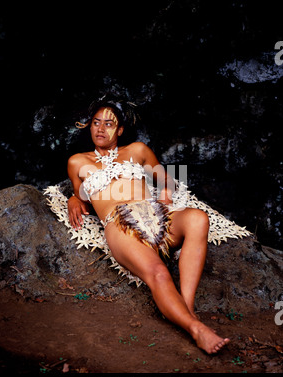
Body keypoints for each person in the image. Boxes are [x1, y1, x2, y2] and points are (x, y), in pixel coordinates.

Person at [67, 97, 230, 354]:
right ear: (89, 126)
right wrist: (73, 199)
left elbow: (166, 180)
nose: (100, 129)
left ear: (120, 130)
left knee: (198, 218)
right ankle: (196, 330)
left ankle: (185, 308)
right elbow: (82, 195)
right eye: (96, 123)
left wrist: (165, 193)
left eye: (109, 124)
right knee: (159, 273)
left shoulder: (138, 150)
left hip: (156, 214)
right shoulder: (77, 161)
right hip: (121, 225)